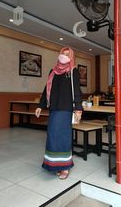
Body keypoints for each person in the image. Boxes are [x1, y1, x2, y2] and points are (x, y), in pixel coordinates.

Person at [35, 47, 83, 179]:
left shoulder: (73, 71)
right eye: (63, 53)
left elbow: (77, 91)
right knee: (52, 136)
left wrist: (78, 109)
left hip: (65, 110)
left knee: (63, 137)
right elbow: (47, 89)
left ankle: (65, 167)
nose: (64, 56)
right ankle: (54, 164)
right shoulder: (53, 71)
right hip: (54, 109)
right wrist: (40, 105)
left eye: (67, 54)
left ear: (71, 57)